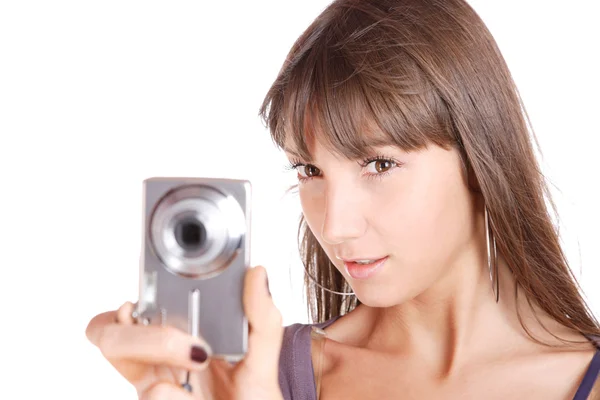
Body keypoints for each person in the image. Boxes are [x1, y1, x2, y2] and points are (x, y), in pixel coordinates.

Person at [86, 0, 600, 398]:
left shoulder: (583, 380)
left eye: (379, 164)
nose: (335, 225)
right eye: (310, 170)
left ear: (480, 154)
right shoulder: (262, 376)